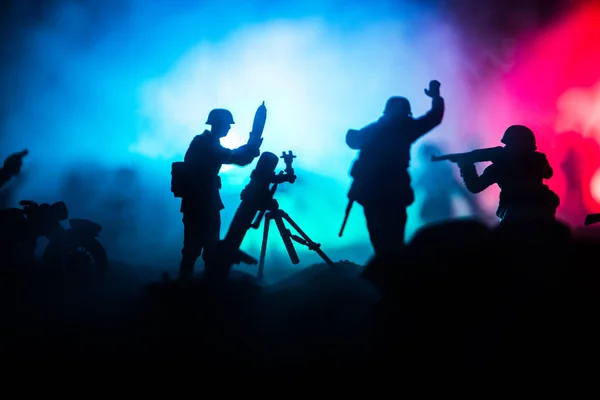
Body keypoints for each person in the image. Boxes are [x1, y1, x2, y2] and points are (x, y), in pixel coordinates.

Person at [345, 80, 445, 255]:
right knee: (393, 239)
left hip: (375, 193)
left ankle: (388, 271)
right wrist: (436, 98)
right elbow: (433, 118)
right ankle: (394, 272)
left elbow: (353, 141)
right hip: (391, 192)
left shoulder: (376, 129)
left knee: (381, 239)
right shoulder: (405, 128)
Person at [177, 108, 262, 281]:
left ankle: (192, 286)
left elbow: (232, 156)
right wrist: (251, 146)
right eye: (227, 125)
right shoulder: (206, 144)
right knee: (202, 250)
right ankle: (203, 288)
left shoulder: (204, 142)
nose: (229, 128)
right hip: (203, 204)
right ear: (219, 124)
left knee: (198, 250)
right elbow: (232, 157)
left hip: (200, 202)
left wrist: (249, 148)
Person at [457, 125, 559, 224]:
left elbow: (475, 186)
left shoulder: (500, 167)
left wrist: (467, 166)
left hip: (514, 217)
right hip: (541, 213)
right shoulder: (538, 160)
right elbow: (548, 174)